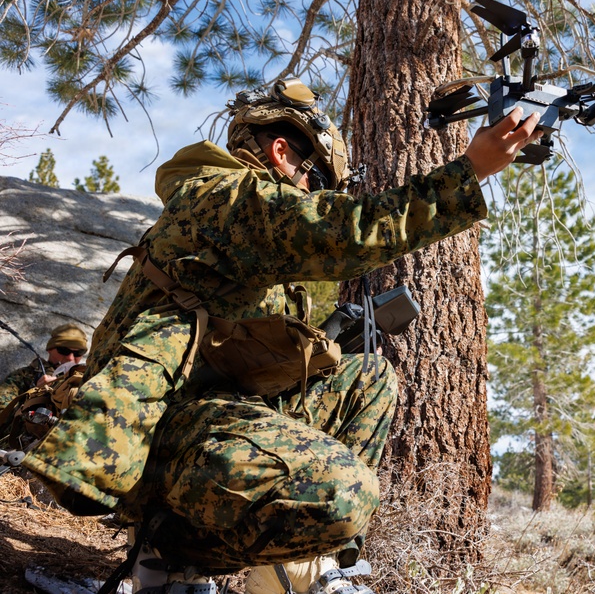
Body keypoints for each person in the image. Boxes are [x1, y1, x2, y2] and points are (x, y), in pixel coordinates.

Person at [19, 78, 541, 594]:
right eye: (314, 180)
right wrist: (470, 170)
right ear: (280, 152)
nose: (313, 193)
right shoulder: (227, 196)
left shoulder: (245, 232)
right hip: (160, 429)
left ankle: (269, 571)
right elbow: (346, 232)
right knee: (343, 494)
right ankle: (170, 556)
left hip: (207, 419)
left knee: (368, 377)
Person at [0, 324, 89, 410]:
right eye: (64, 350)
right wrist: (38, 393)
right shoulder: (23, 376)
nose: (70, 358)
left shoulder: (87, 380)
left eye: (78, 353)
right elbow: (4, 415)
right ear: (50, 349)